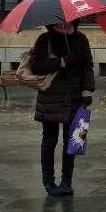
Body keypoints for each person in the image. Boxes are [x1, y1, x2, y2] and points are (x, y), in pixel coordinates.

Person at [30, 20, 95, 197]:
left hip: (75, 98)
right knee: (50, 140)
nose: (64, 23)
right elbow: (35, 66)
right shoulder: (45, 39)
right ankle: (49, 182)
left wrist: (88, 90)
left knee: (73, 141)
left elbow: (88, 66)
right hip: (51, 97)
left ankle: (67, 181)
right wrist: (60, 62)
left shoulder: (81, 38)